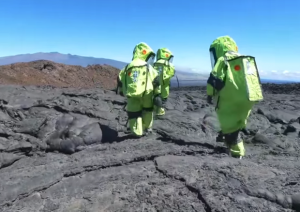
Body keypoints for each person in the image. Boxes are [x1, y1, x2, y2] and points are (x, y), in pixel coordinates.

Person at [206, 35, 263, 158]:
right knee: (238, 120)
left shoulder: (223, 60)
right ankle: (234, 133)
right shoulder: (244, 59)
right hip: (248, 98)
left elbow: (214, 80)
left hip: (230, 99)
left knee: (229, 126)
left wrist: (210, 93)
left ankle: (237, 153)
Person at [117, 42, 162, 137]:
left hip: (132, 95)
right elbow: (156, 81)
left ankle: (137, 132)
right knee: (148, 110)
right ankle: (147, 128)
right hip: (147, 94)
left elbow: (120, 79)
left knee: (134, 113)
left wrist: (121, 91)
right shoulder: (148, 67)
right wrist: (157, 94)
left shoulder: (127, 67)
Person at [153, 48, 175, 116]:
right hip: (165, 87)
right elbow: (172, 73)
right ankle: (160, 113)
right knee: (163, 100)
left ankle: (154, 111)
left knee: (156, 98)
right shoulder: (169, 64)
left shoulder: (155, 64)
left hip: (155, 86)